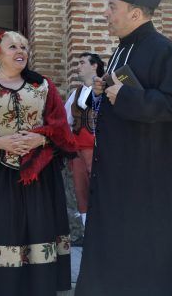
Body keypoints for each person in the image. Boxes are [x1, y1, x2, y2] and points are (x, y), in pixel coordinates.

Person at [76, 0, 172, 296]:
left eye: (111, 7)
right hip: (119, 175)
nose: (106, 13)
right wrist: (104, 88)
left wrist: (125, 96)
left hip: (151, 180)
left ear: (134, 12)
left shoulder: (165, 51)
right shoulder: (120, 49)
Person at [0, 30, 77, 296]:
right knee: (3, 229)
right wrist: (1, 143)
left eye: (24, 46)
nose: (20, 50)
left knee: (38, 229)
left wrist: (39, 140)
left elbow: (61, 129)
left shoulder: (42, 86)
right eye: (13, 47)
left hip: (39, 176)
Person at [64, 52, 104, 232]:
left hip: (99, 148)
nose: (78, 66)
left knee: (101, 188)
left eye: (82, 62)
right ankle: (87, 230)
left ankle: (103, 229)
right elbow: (66, 120)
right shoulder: (76, 93)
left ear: (94, 65)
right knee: (81, 190)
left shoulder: (106, 87)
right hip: (78, 148)